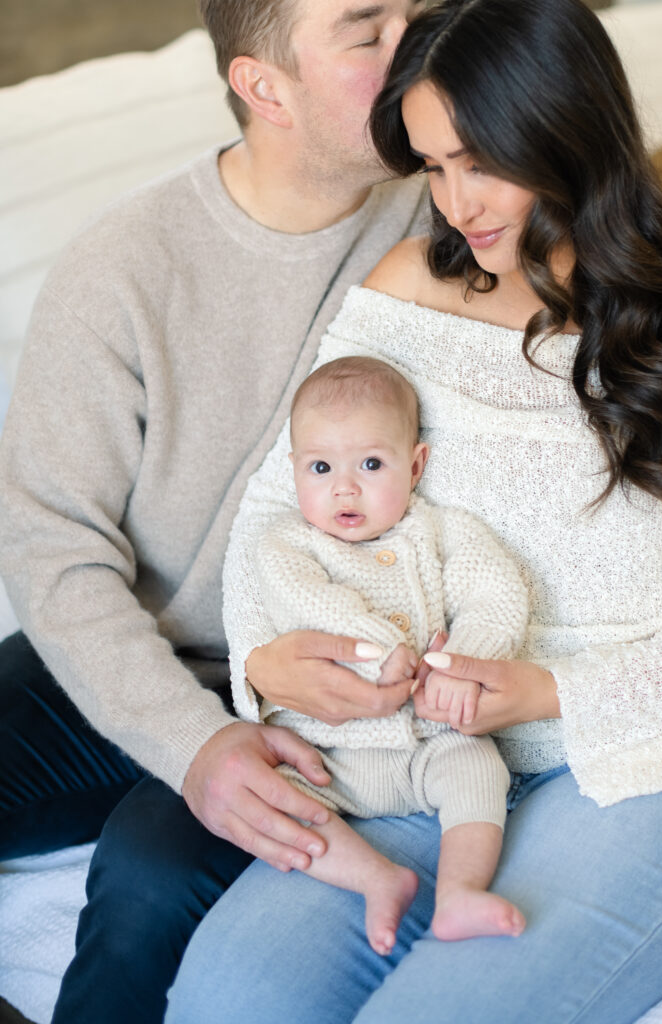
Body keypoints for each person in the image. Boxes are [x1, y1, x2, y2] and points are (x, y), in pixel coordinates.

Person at [164, 0, 662, 1021]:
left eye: (478, 162)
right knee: (226, 998)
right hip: (413, 756)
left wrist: (545, 692)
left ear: (564, 130)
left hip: (632, 761)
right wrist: (264, 666)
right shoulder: (407, 288)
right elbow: (277, 508)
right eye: (434, 166)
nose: (454, 204)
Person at [0, 2, 433, 1021]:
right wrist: (189, 743)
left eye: (418, 9)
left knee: (147, 883)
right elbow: (52, 545)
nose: (417, 42)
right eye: (367, 31)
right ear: (263, 87)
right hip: (151, 651)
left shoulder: (458, 216)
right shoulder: (125, 266)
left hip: (324, 682)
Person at [228, 355, 528, 953]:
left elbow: (496, 595)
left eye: (371, 464)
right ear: (294, 471)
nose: (344, 487)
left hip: (431, 741)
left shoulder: (443, 532)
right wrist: (379, 653)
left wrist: (461, 664)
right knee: (269, 799)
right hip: (327, 754)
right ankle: (374, 879)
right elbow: (313, 604)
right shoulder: (285, 543)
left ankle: (460, 892)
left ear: (415, 465)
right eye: (320, 467)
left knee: (480, 767)